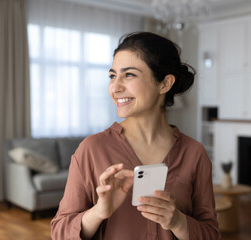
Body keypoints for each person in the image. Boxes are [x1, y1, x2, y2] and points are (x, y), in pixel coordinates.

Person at [51, 32, 220, 240]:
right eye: (113, 76)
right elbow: (60, 232)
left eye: (128, 75)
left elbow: (211, 234)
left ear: (164, 84)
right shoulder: (92, 149)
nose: (115, 87)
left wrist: (178, 221)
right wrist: (98, 212)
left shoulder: (194, 153)